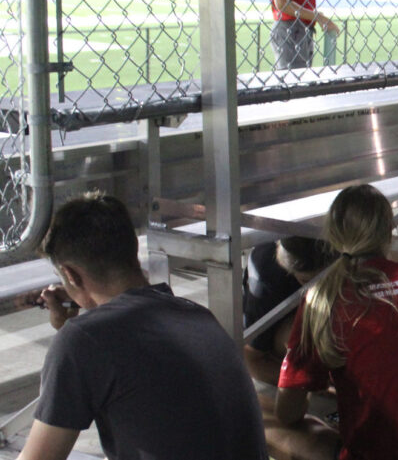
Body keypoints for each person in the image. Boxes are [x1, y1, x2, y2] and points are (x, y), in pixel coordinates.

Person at [19, 193, 267, 459]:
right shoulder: (198, 316)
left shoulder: (83, 340)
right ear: (133, 249)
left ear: (70, 274)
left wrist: (74, 329)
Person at [268, 184, 398, 460]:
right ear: (389, 232)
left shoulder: (323, 299)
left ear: (332, 237)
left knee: (267, 421)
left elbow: (288, 412)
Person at [244, 236, 337, 385]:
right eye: (307, 281)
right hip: (283, 325)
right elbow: (251, 359)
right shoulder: (267, 275)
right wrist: (316, 384)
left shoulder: (343, 253)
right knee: (308, 337)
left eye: (324, 278)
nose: (316, 285)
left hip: (321, 310)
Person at [270, 0, 340, 69]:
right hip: (291, 30)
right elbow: (282, 2)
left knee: (300, 79)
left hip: (298, 29)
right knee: (295, 81)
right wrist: (318, 17)